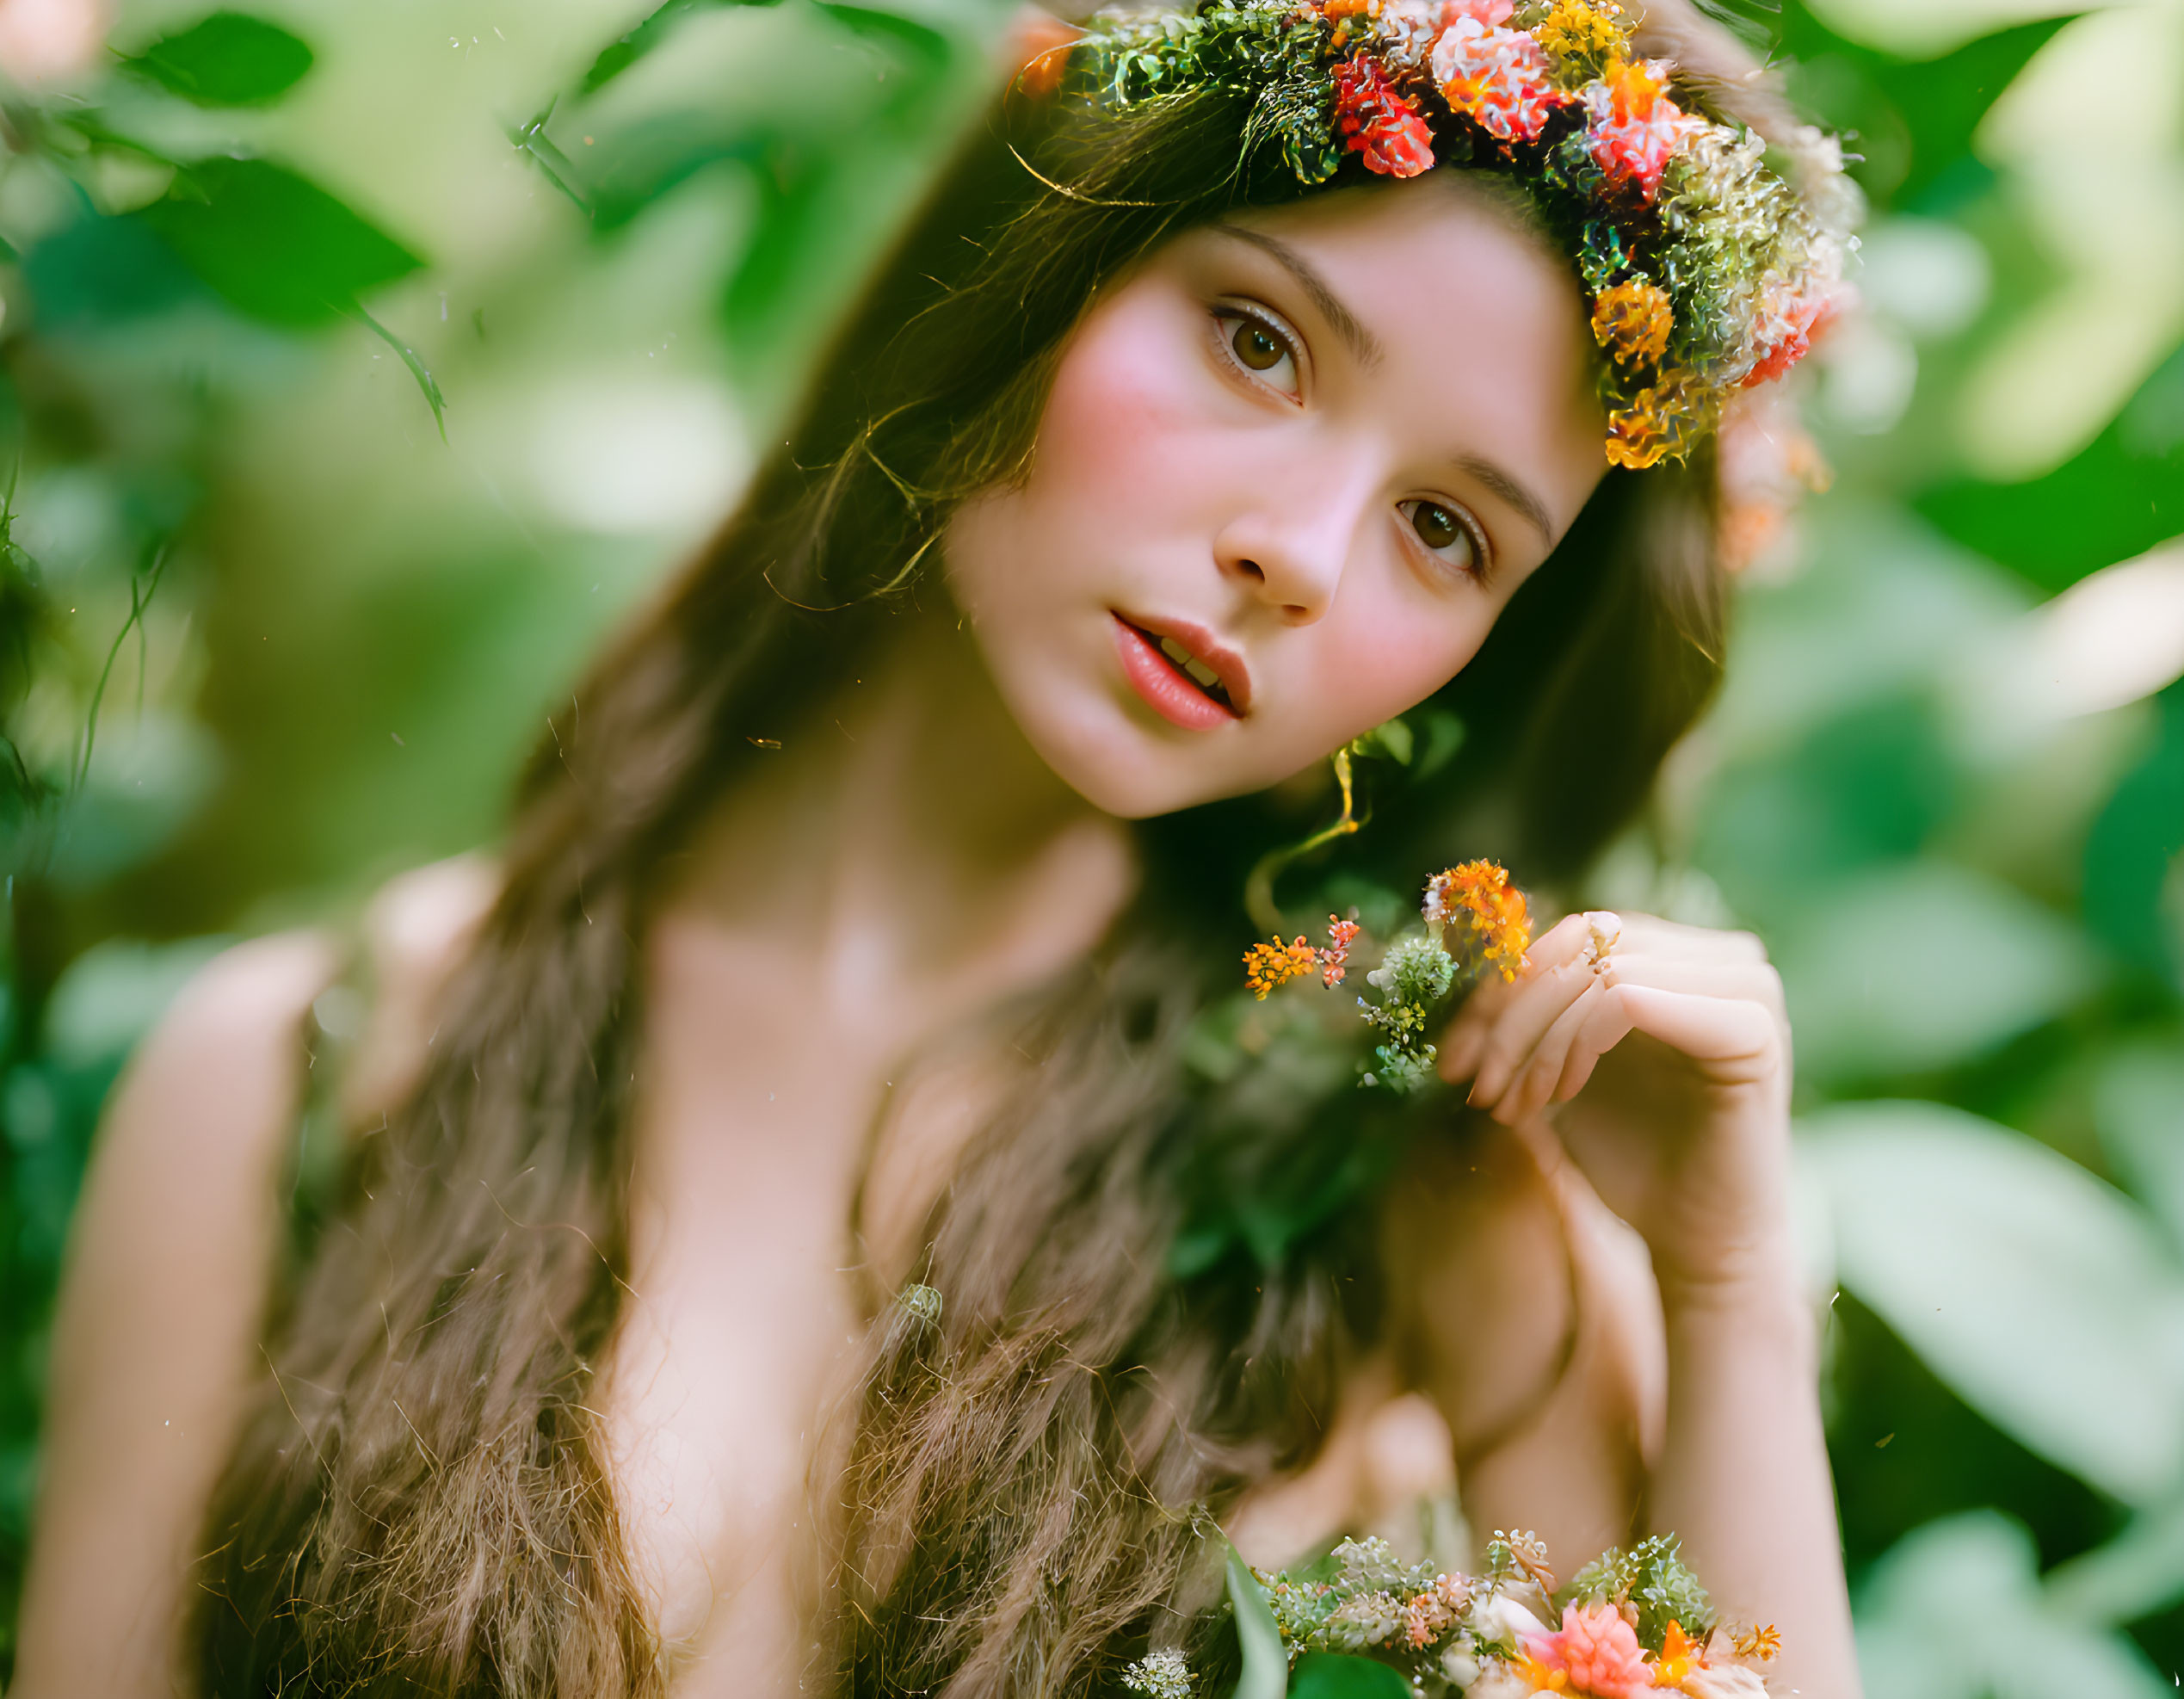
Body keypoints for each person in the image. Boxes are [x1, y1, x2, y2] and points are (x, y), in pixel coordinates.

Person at [13, 1, 1864, 1693]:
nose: (1299, 549)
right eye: (1258, 340)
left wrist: (1730, 1288)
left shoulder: (1398, 1196)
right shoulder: (300, 1073)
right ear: (1034, 262)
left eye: (1449, 530)